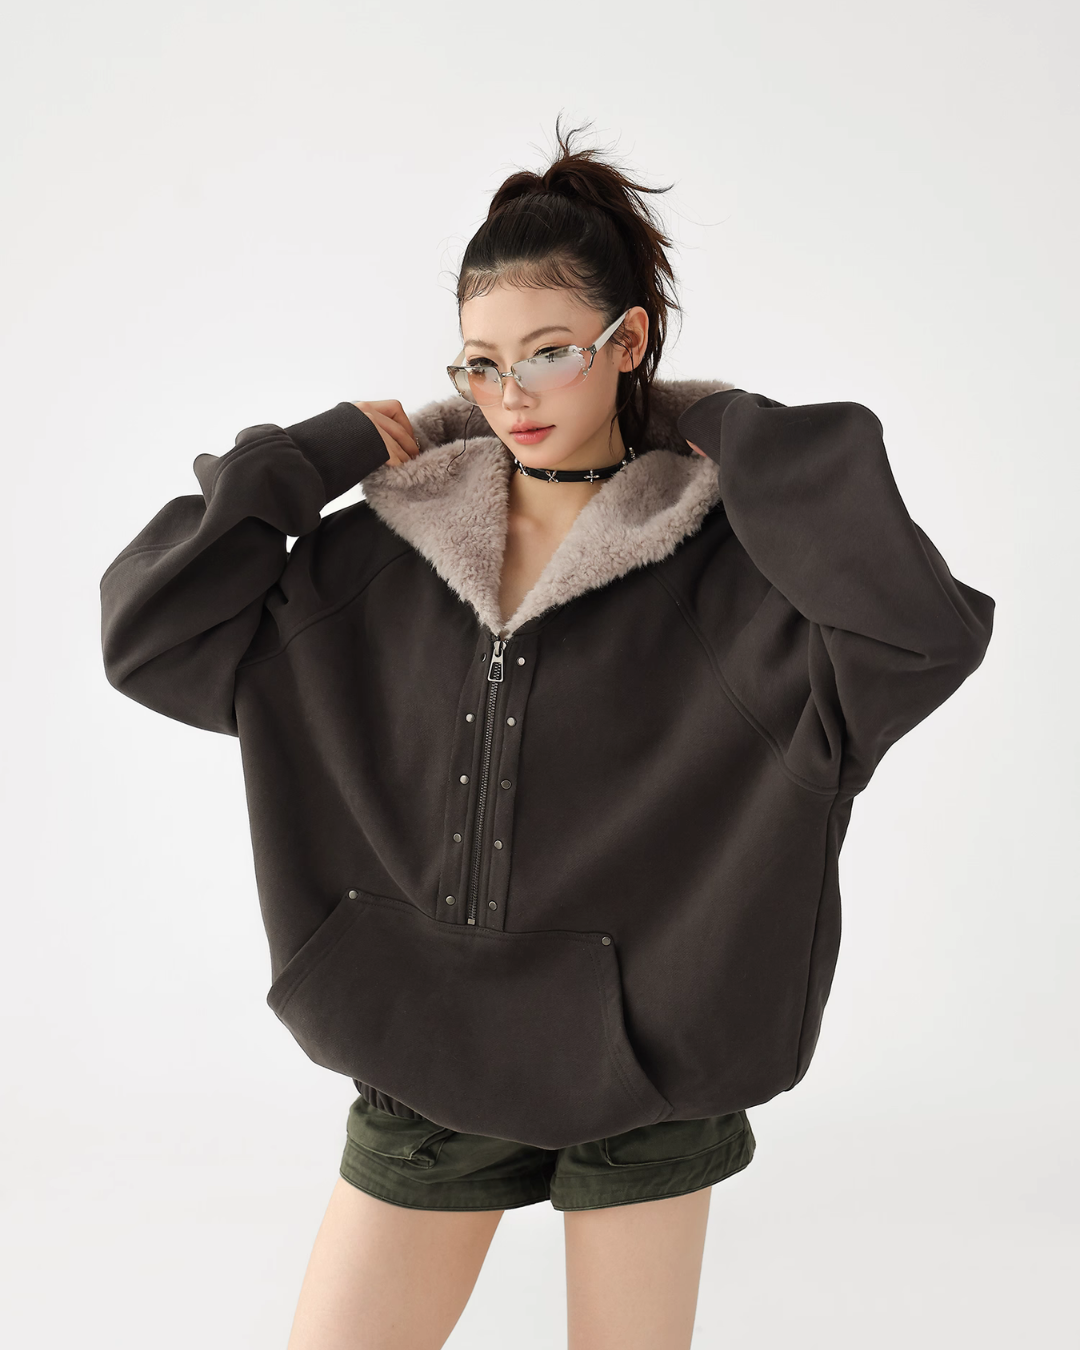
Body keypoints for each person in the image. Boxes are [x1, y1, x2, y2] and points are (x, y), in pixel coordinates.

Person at [98, 119, 995, 1350]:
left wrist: (735, 432)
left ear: (630, 342)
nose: (510, 394)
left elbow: (916, 636)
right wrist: (314, 456)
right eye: (481, 363)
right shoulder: (381, 558)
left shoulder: (729, 573)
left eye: (550, 353)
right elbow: (152, 634)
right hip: (419, 1043)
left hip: (650, 1063)